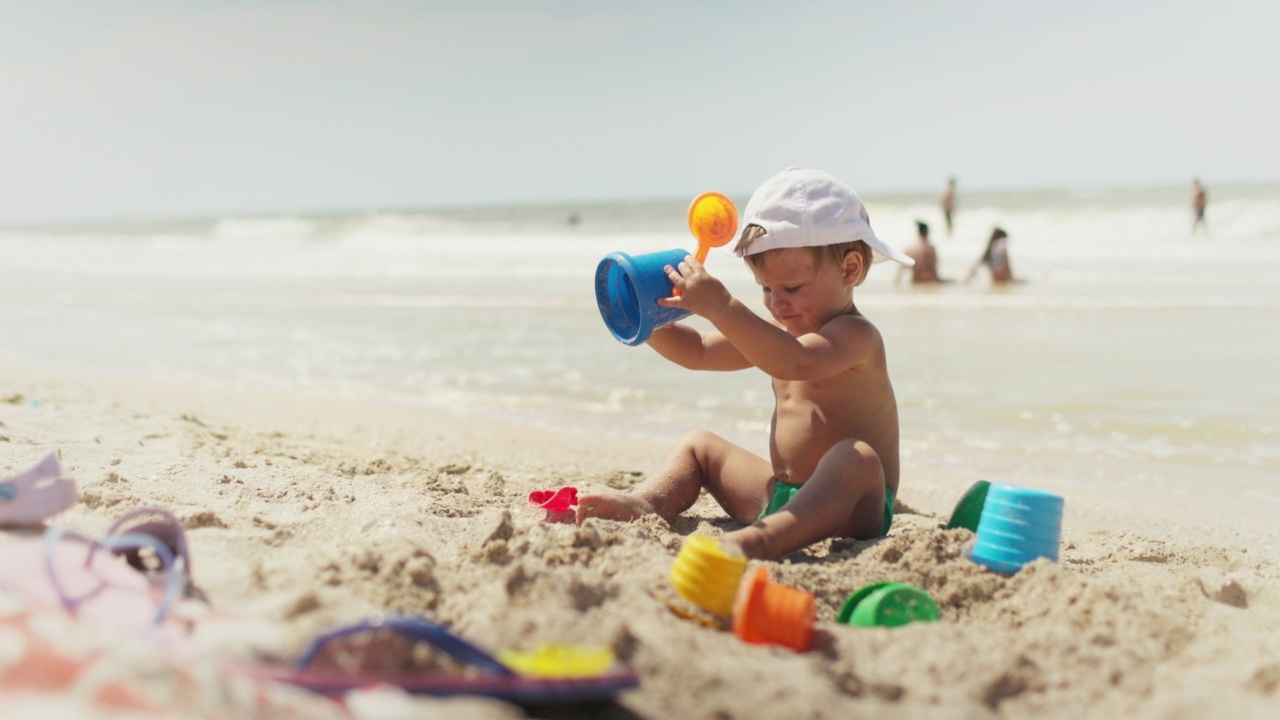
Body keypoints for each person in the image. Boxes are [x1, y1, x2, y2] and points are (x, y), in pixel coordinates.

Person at [576, 168, 914, 561]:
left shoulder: (857, 337)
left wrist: (720, 306)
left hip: (856, 503)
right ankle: (648, 503)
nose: (775, 302)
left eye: (791, 288)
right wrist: (646, 318)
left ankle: (764, 540)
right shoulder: (778, 334)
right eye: (765, 288)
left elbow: (796, 362)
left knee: (855, 457)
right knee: (698, 446)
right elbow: (700, 351)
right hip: (782, 496)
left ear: (850, 269)